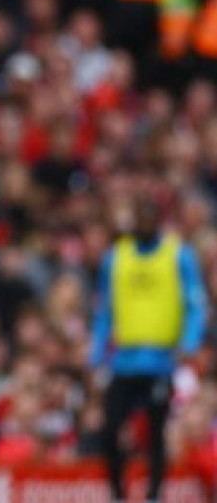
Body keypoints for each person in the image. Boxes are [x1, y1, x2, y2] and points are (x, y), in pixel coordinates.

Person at [90, 195, 208, 503]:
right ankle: (117, 493)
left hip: (160, 361)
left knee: (156, 433)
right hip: (124, 361)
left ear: (159, 221)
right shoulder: (116, 257)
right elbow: (105, 310)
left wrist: (189, 342)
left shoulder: (178, 255)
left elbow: (195, 304)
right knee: (110, 430)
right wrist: (97, 351)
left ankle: (154, 495)